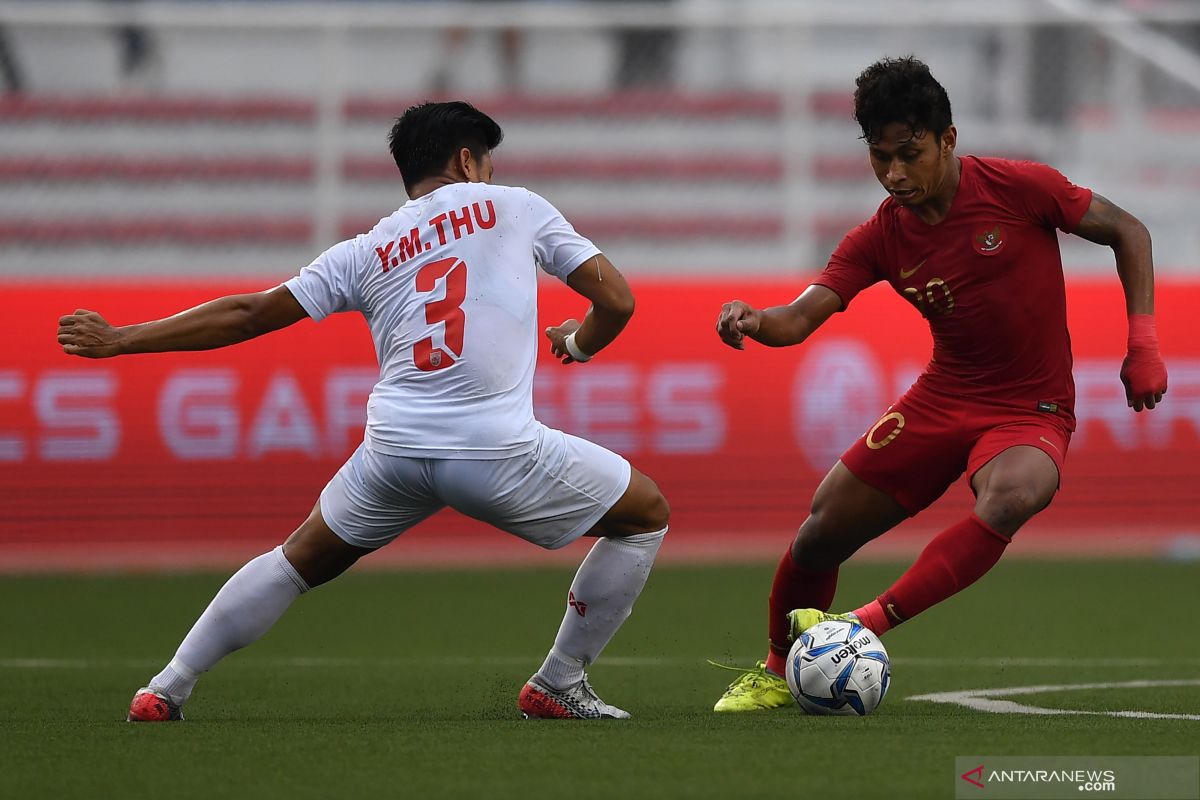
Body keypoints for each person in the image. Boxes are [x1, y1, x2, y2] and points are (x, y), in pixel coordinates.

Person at [57, 101, 670, 722]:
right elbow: (615, 299)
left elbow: (249, 313)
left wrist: (121, 340)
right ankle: (559, 682)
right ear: (467, 160)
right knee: (644, 514)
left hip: (394, 450)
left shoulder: (368, 247)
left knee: (296, 560)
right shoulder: (517, 205)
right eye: (487, 161)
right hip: (493, 448)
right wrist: (578, 343)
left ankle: (166, 688)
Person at [711, 56, 1168, 712]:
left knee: (1015, 496)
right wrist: (755, 319)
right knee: (819, 533)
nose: (895, 174)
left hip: (1027, 407)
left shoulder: (1019, 188)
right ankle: (776, 668)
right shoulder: (879, 237)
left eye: (909, 154)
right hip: (942, 399)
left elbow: (1129, 229)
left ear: (947, 140)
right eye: (879, 158)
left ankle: (860, 627)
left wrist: (1143, 343)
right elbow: (802, 315)